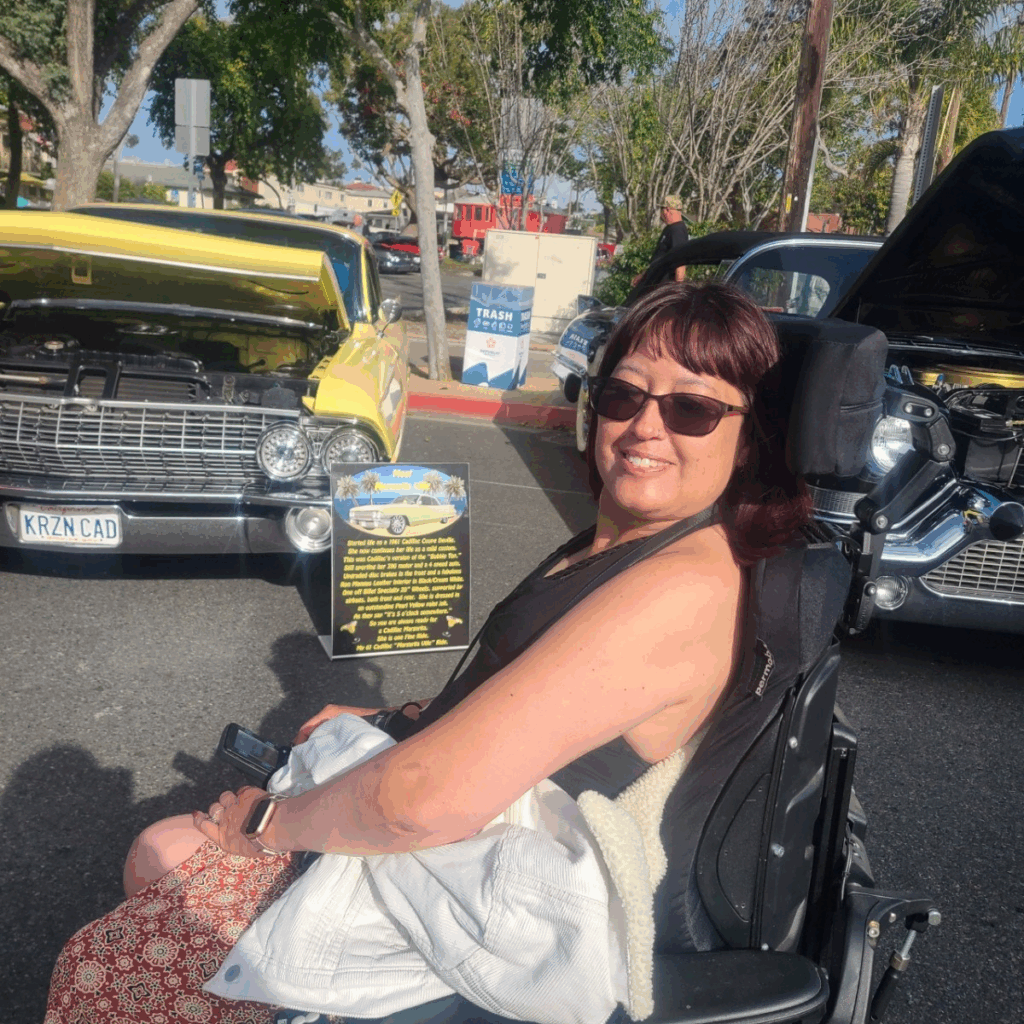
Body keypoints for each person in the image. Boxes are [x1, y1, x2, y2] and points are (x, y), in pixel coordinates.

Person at [45, 281, 811, 1024]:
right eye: (625, 395)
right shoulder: (623, 544)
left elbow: (418, 803)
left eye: (693, 409)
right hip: (475, 831)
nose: (647, 427)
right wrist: (395, 713)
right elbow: (534, 692)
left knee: (158, 867)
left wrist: (266, 819)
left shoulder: (678, 587)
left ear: (748, 442)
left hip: (487, 885)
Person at [632, 196, 690, 287]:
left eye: (661, 210)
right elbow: (658, 257)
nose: (661, 214)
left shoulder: (677, 231)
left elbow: (680, 263)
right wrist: (643, 275)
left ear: (667, 210)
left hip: (663, 286)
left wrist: (676, 290)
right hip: (653, 283)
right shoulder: (669, 229)